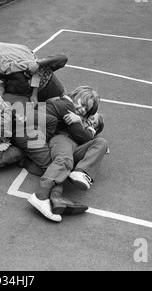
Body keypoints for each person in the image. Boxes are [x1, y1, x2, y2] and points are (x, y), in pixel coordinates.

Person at [27, 86, 108, 222]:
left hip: (75, 149)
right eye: (90, 117)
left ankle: (79, 174)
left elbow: (89, 139)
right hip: (62, 139)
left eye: (93, 124)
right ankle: (41, 196)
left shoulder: (83, 126)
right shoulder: (69, 112)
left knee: (102, 143)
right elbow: (82, 134)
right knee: (64, 161)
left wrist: (90, 131)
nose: (83, 111)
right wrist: (83, 125)